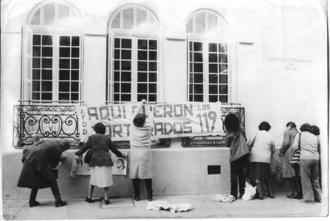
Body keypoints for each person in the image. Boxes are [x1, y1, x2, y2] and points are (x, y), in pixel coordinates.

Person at [75, 122, 125, 205]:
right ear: (104, 130)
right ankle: (106, 198)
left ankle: (89, 197)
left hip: (94, 161)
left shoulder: (91, 138)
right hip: (106, 160)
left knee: (93, 179)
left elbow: (84, 147)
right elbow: (114, 149)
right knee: (105, 179)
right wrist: (121, 155)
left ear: (95, 130)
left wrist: (78, 153)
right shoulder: (107, 138)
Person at [17, 139, 70, 207]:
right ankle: (58, 201)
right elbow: (54, 164)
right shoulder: (59, 149)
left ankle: (32, 201)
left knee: (35, 180)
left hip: (30, 158)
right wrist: (60, 160)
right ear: (64, 147)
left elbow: (37, 143)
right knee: (52, 181)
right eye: (65, 150)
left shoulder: (49, 141)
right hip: (38, 161)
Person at [129, 99, 154, 201]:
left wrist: (141, 104)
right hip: (145, 152)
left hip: (135, 152)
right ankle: (149, 195)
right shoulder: (148, 127)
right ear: (144, 122)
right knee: (147, 173)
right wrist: (147, 106)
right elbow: (151, 117)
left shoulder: (132, 126)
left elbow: (134, 113)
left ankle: (137, 195)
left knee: (135, 174)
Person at [292, 123, 321, 203]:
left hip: (305, 158)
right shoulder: (314, 136)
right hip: (316, 158)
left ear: (302, 128)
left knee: (306, 179)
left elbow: (294, 146)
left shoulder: (300, 134)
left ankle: (309, 199)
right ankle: (319, 197)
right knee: (315, 179)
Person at [224, 114, 250, 199]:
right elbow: (245, 139)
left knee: (233, 175)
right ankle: (242, 193)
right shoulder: (241, 129)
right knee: (241, 174)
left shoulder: (229, 132)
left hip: (235, 155)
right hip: (243, 154)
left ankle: (234, 194)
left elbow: (227, 144)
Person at [247, 121, 275, 199]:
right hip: (266, 158)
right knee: (267, 176)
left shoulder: (256, 133)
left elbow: (248, 144)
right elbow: (273, 149)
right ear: (268, 128)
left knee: (257, 176)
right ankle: (271, 193)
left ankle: (261, 194)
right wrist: (269, 155)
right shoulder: (270, 136)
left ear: (260, 127)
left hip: (255, 157)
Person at [279, 122, 302, 199]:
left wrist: (281, 151)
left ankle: (294, 192)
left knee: (290, 174)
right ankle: (299, 193)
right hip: (298, 154)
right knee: (297, 174)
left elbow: (286, 143)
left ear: (289, 126)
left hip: (289, 153)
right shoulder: (299, 133)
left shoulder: (288, 132)